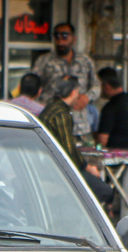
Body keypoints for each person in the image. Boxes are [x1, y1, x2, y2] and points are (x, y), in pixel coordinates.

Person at [38, 76, 114, 205]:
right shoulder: (62, 113)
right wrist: (88, 167)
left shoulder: (51, 108)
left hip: (47, 165)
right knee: (105, 191)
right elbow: (68, 149)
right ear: (73, 93)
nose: (78, 96)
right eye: (78, 93)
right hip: (55, 168)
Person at [32, 22, 100, 141]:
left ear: (73, 39)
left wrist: (87, 97)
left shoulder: (85, 61)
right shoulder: (44, 61)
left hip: (79, 127)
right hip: (52, 125)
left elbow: (97, 85)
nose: (60, 42)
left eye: (64, 36)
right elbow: (32, 88)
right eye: (57, 37)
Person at [94, 67, 128, 151]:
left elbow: (102, 143)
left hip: (119, 157)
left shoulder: (110, 107)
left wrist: (93, 145)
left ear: (106, 86)